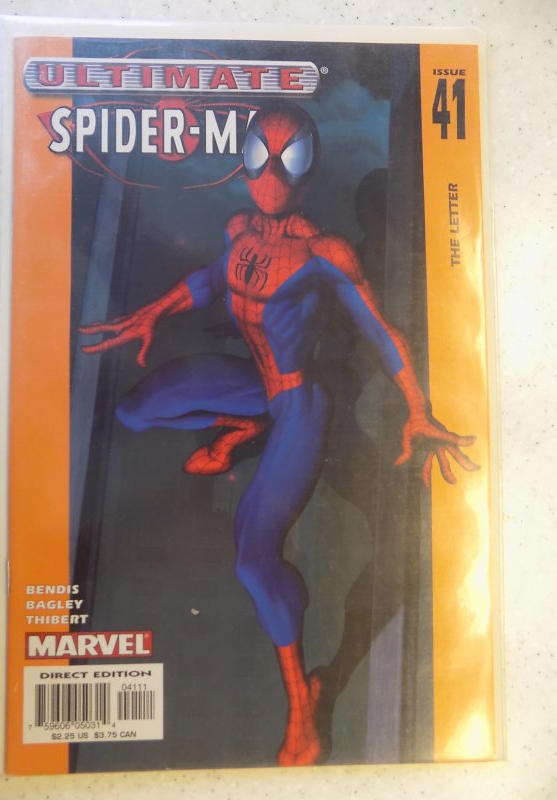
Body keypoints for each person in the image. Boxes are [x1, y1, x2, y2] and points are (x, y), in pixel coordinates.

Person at [80, 103, 478, 766]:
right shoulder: (239, 230)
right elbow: (212, 280)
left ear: (308, 169)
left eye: (288, 160)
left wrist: (417, 406)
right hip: (257, 388)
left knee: (252, 557)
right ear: (242, 162)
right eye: (258, 157)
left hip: (302, 404)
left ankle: (302, 707)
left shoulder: (326, 253)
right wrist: (153, 311)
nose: (270, 177)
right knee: (135, 410)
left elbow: (381, 331)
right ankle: (245, 425)